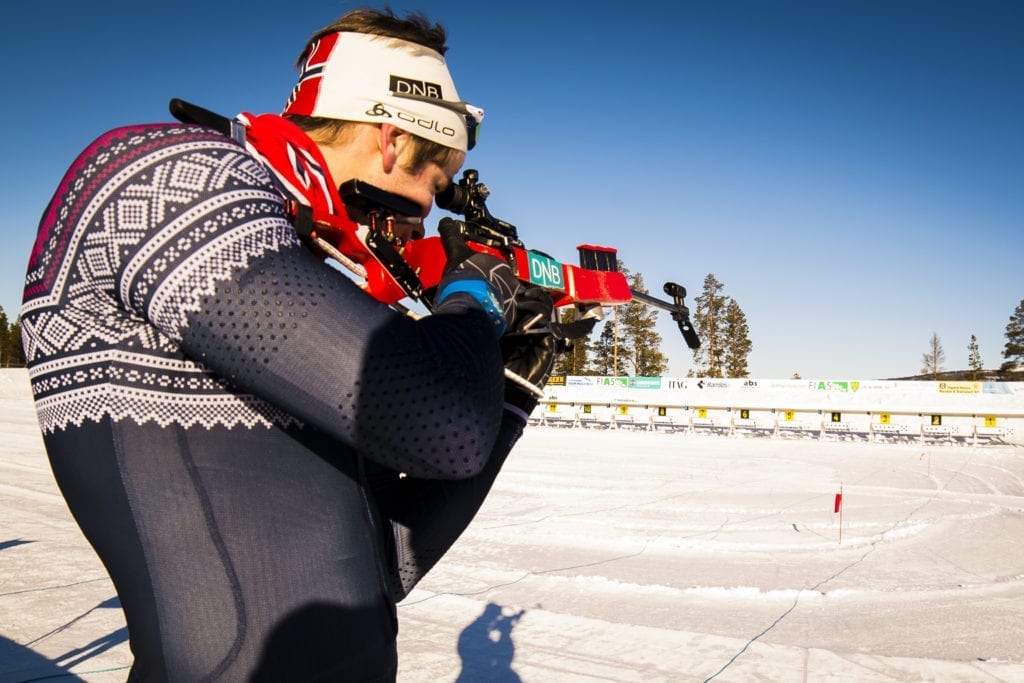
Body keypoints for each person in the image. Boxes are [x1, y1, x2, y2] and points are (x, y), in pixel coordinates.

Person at [20, 8, 555, 681]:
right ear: (390, 140)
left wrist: (511, 392)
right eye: (432, 186)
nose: (420, 212)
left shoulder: (292, 263)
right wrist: (474, 296)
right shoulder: (167, 176)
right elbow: (442, 424)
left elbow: (379, 562)